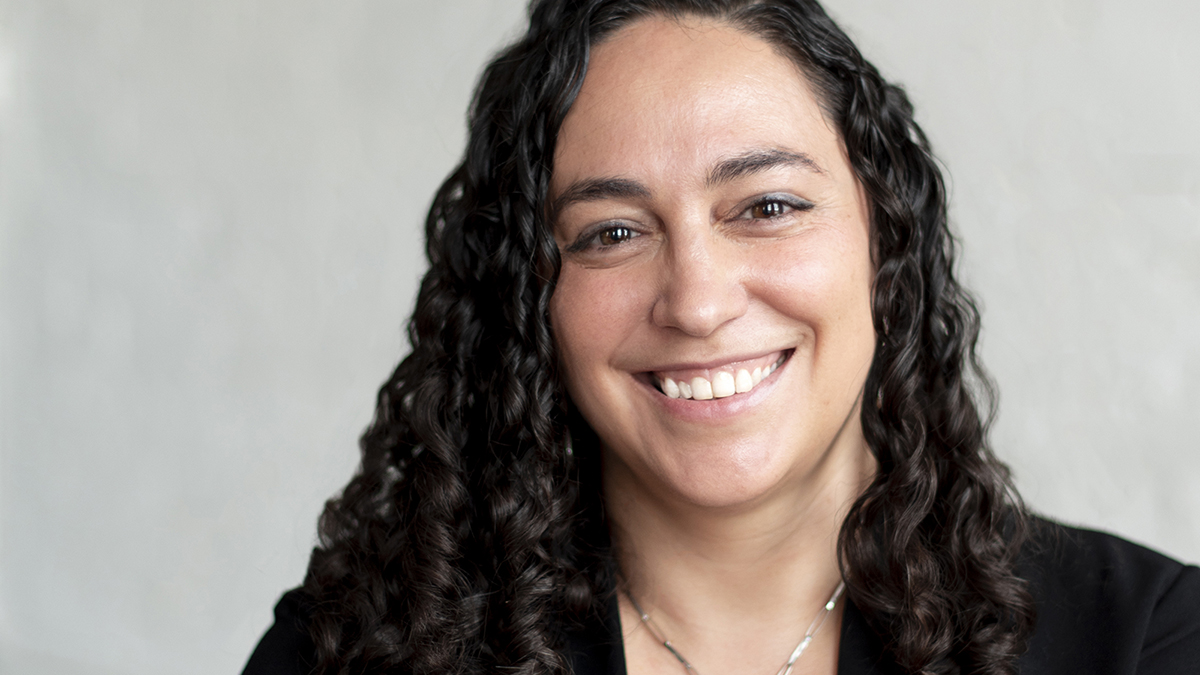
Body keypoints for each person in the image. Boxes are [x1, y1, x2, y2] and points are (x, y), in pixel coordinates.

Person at [242, 1, 1200, 674]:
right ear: (529, 293)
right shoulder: (353, 650)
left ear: (884, 238)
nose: (696, 301)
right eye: (611, 232)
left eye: (767, 205)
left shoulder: (1143, 640)